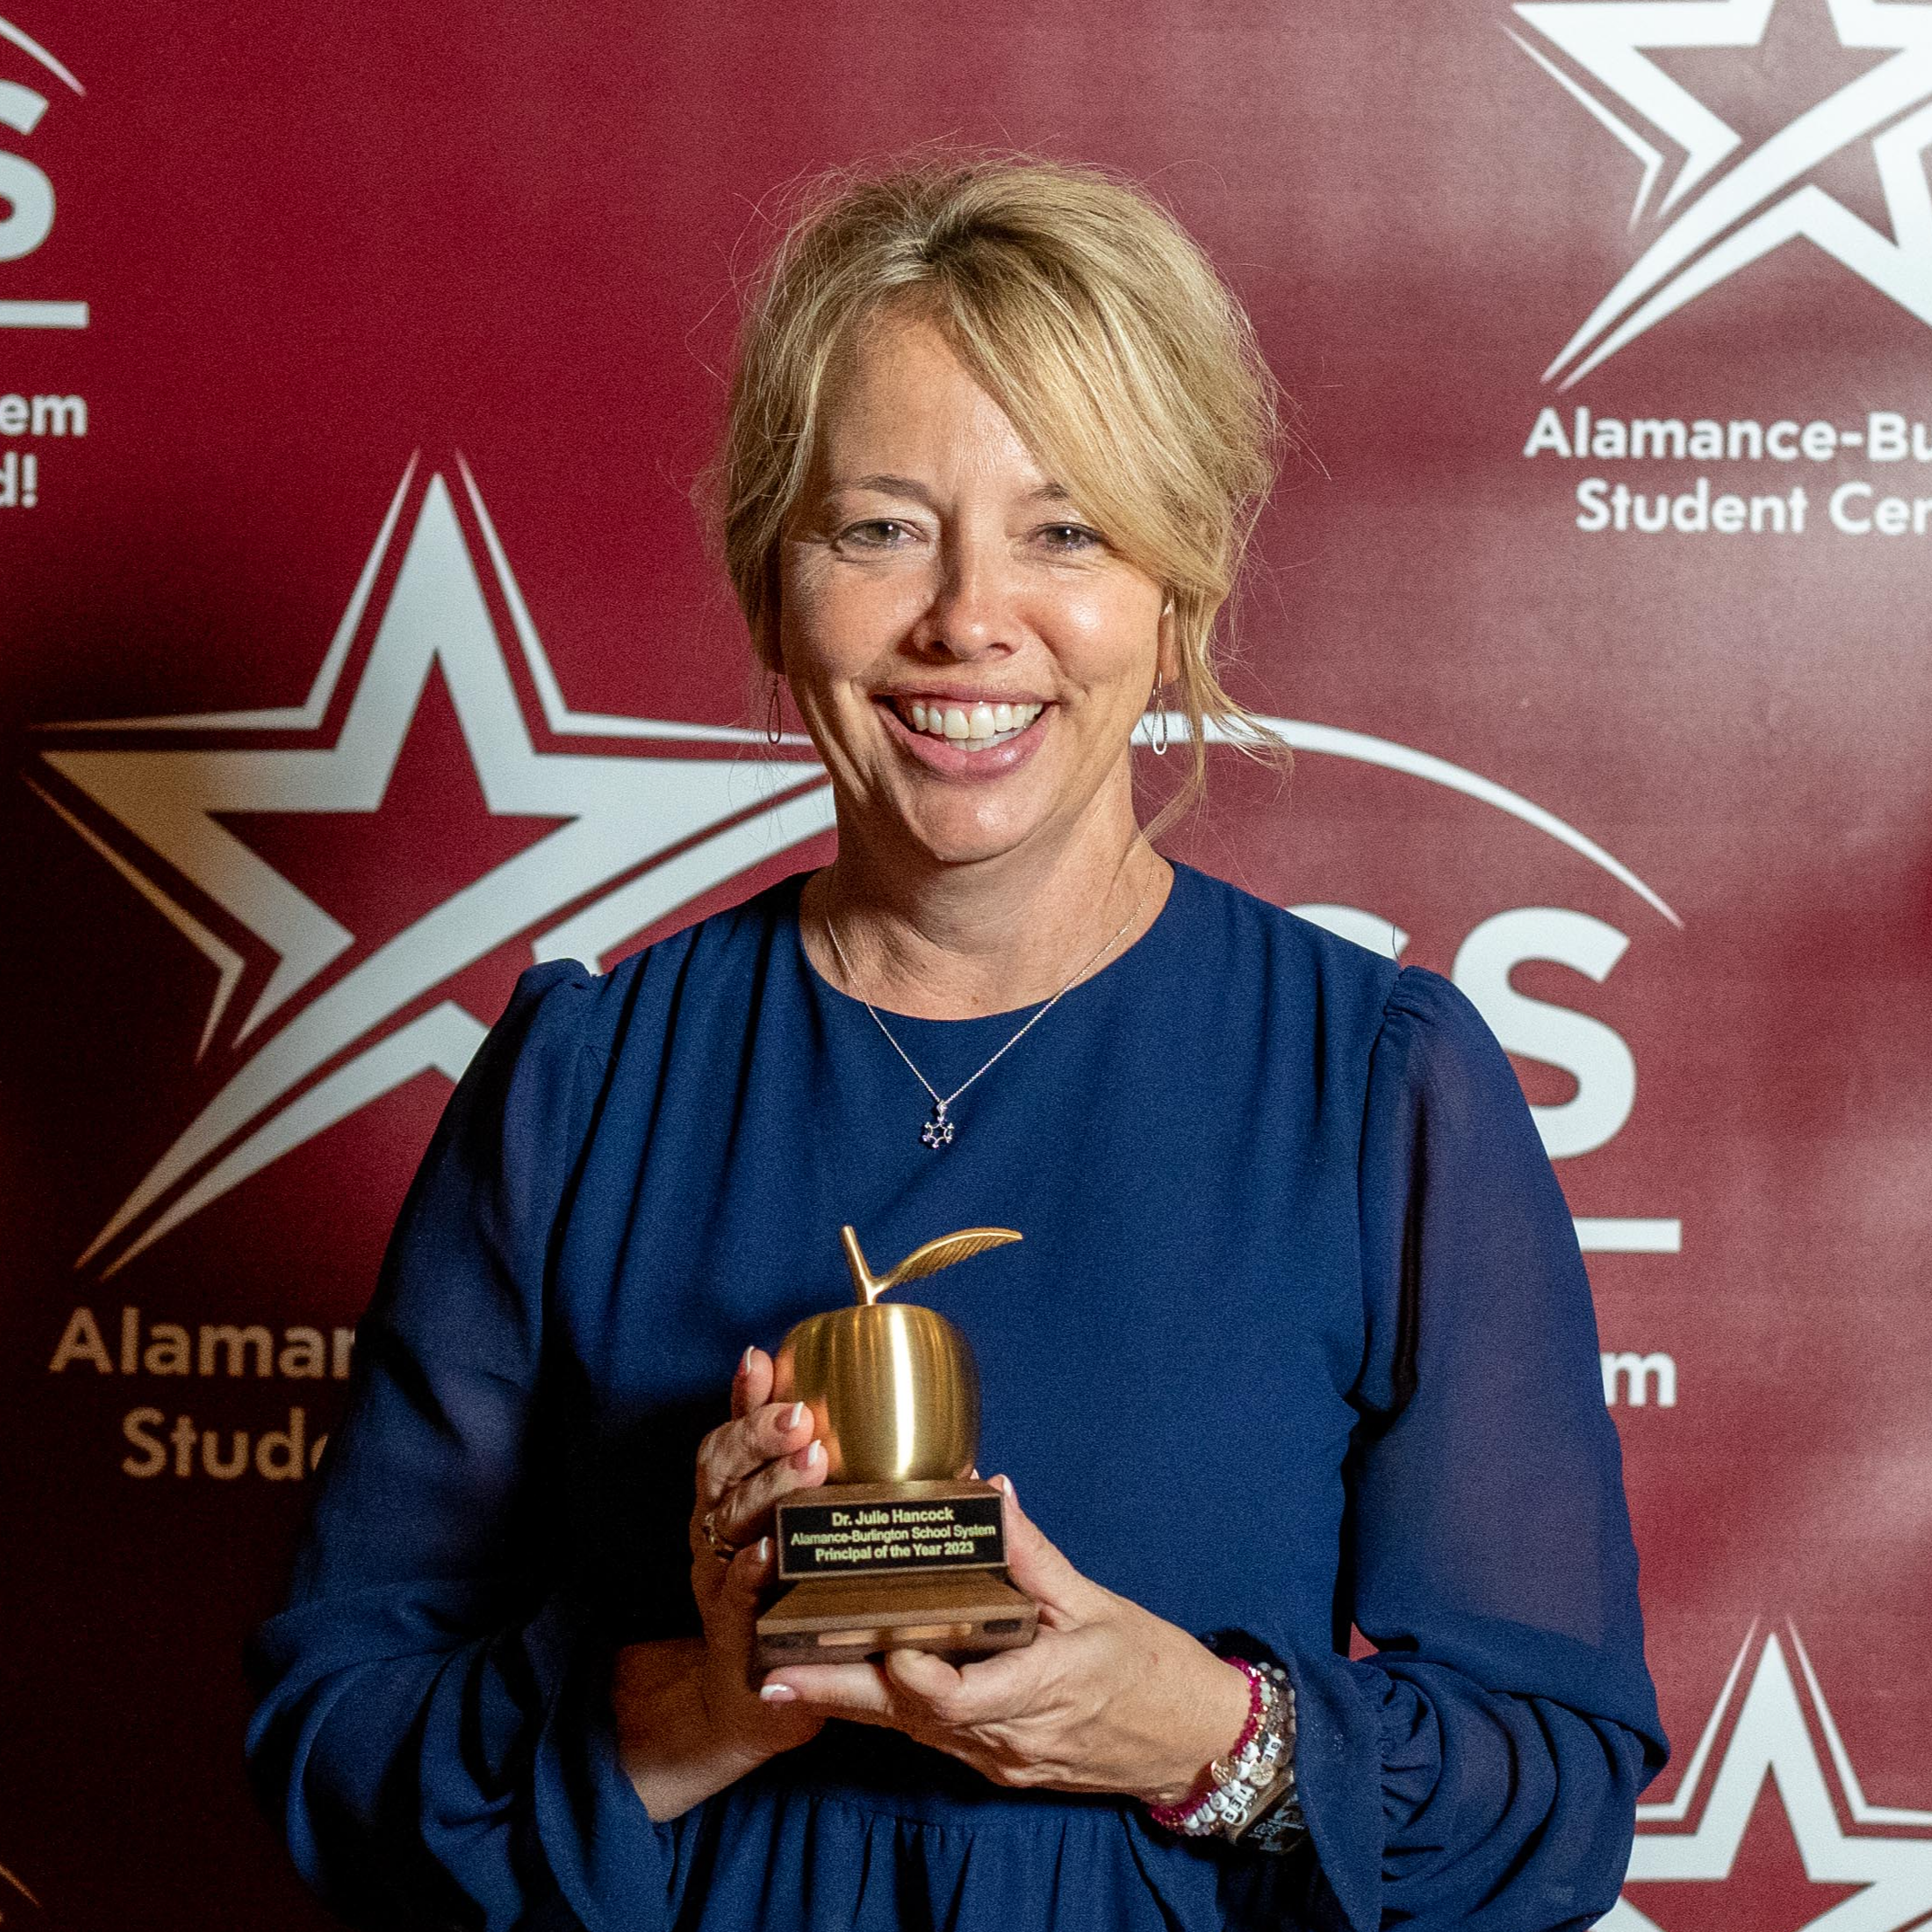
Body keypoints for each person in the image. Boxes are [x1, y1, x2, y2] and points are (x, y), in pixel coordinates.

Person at [247, 156, 1666, 1932]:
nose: (966, 618)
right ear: (777, 588)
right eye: (880, 526)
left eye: (1064, 531)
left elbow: (1553, 1791)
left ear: (1177, 592)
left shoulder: (1376, 1084)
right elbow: (330, 1743)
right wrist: (710, 1686)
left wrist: (1197, 1732)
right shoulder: (587, 1078)